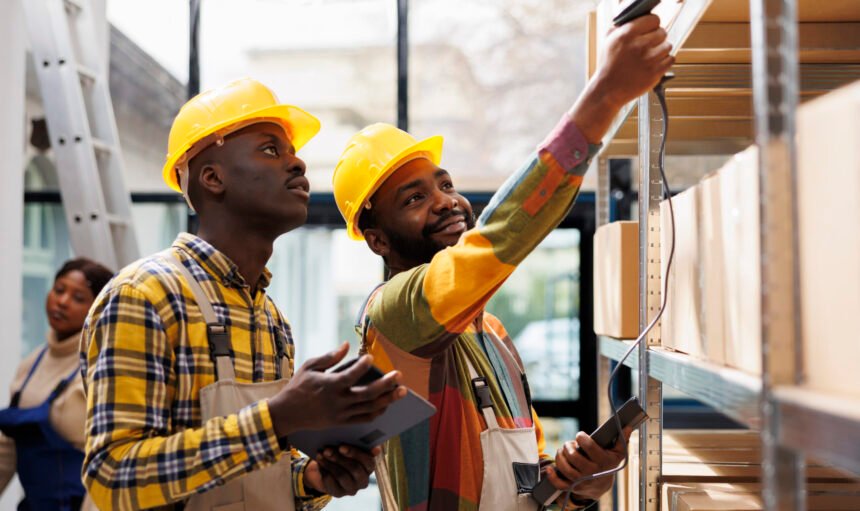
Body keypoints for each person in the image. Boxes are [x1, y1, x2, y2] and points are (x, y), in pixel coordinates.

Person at [331, 15, 673, 511]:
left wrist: (578, 486)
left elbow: (530, 497)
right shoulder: (391, 319)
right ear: (378, 239)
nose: (446, 202)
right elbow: (500, 239)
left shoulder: (492, 334)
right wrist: (603, 97)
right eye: (414, 199)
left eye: (445, 185)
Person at [79, 78, 406, 511]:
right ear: (213, 178)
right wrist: (277, 419)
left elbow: (258, 476)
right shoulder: (146, 296)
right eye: (271, 150)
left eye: (293, 152)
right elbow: (113, 476)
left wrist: (310, 479)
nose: (299, 166)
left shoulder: (270, 319)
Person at [0, 257, 113, 511]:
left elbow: (106, 465)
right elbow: (6, 449)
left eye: (78, 298)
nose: (62, 301)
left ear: (97, 308)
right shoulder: (31, 364)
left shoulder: (99, 369)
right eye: (59, 290)